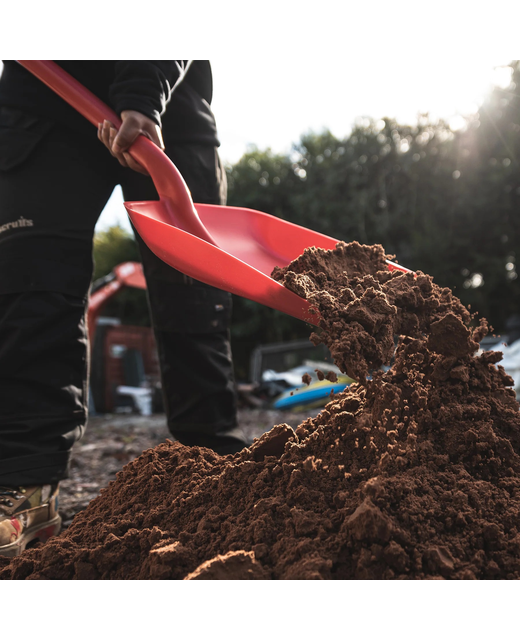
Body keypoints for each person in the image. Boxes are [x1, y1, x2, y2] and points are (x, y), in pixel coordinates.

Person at [0, 60, 249, 557]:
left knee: (192, 291)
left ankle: (215, 468)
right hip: (42, 102)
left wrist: (142, 91)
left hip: (171, 109)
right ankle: (24, 491)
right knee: (32, 285)